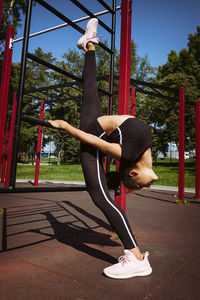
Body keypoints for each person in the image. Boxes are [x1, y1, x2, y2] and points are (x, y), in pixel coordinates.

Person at [48, 18, 158, 279]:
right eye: (140, 185)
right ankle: (137, 257)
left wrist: (66, 127)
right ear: (132, 172)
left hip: (97, 128)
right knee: (101, 197)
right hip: (94, 130)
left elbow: (98, 142)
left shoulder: (144, 149)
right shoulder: (132, 154)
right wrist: (66, 127)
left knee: (90, 90)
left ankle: (90, 45)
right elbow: (93, 140)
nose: (146, 184)